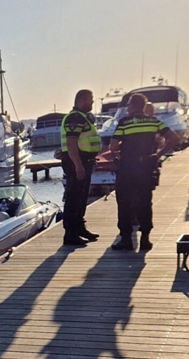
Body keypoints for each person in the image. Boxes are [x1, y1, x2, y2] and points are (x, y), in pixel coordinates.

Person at [108, 93, 180, 251]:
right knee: (145, 202)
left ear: (132, 106)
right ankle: (145, 239)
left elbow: (113, 146)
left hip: (127, 167)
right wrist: (159, 154)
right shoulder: (153, 121)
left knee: (125, 203)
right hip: (147, 165)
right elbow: (174, 138)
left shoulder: (124, 122)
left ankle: (126, 239)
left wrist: (124, 144)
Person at [59, 89, 102, 246]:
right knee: (74, 197)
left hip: (85, 160)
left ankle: (79, 227)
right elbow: (71, 143)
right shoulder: (75, 118)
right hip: (76, 162)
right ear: (82, 100)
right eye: (90, 100)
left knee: (81, 197)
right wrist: (78, 166)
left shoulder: (84, 118)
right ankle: (70, 234)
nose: (92, 102)